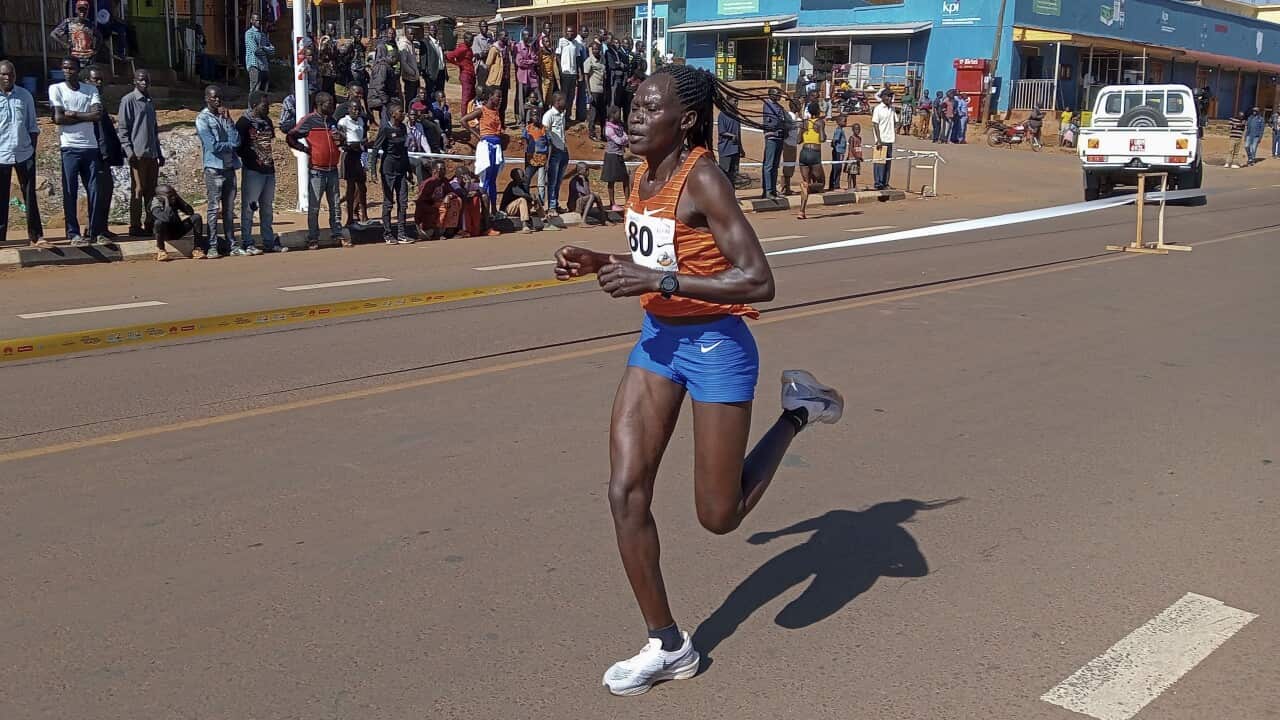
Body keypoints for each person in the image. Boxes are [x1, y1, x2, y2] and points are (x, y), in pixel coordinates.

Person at [551, 64, 844, 697]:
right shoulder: (643, 172)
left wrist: (660, 283)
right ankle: (668, 644)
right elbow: (664, 258)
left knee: (719, 515)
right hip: (658, 341)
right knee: (625, 492)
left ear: (683, 120)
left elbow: (759, 280)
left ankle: (797, 411)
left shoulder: (703, 177)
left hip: (717, 347)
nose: (633, 117)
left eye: (647, 108)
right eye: (632, 105)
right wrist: (602, 261)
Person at [49, 56, 104, 246]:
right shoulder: (56, 89)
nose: (67, 71)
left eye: (71, 68)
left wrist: (73, 114)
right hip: (69, 147)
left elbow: (97, 115)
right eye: (64, 68)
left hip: (90, 147)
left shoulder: (90, 89)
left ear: (78, 70)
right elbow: (58, 118)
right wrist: (84, 117)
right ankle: (73, 233)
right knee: (70, 191)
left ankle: (96, 232)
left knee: (95, 190)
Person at [287, 91, 347, 249]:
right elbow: (291, 136)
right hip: (317, 171)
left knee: (335, 205)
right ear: (320, 105)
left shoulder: (332, 121)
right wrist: (304, 149)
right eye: (329, 104)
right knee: (314, 207)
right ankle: (313, 237)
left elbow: (341, 141)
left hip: (332, 169)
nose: (333, 106)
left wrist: (341, 138)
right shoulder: (309, 120)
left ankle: (337, 233)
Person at [0, 60, 48, 248]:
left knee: (30, 197)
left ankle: (36, 236)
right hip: (1, 154)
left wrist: (32, 153)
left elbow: (32, 127)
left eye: (10, 74)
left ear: (15, 76)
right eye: (3, 74)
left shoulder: (25, 95)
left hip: (24, 153)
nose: (7, 77)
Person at [194, 85, 241, 258]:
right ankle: (212, 245)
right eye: (214, 97)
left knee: (229, 209)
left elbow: (237, 139)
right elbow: (212, 145)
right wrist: (231, 145)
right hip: (214, 168)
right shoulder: (202, 119)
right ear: (207, 98)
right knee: (214, 208)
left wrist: (229, 121)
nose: (218, 100)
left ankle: (231, 244)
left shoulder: (224, 117)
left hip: (229, 168)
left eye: (219, 97)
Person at [118, 69, 164, 239]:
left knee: (151, 192)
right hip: (137, 154)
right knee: (138, 190)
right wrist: (128, 151)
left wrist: (159, 152)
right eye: (141, 80)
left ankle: (150, 222)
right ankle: (135, 225)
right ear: (134, 81)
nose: (144, 83)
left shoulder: (150, 101)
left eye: (146, 80)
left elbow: (154, 130)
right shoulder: (128, 100)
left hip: (151, 154)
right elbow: (122, 129)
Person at [235, 91, 278, 254]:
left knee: (267, 208)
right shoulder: (244, 123)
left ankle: (268, 241)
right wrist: (251, 160)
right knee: (249, 207)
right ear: (254, 105)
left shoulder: (267, 121)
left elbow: (268, 142)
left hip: (269, 169)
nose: (268, 108)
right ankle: (247, 242)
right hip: (253, 171)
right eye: (264, 105)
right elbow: (237, 147)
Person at [367, 100, 414, 244]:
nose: (403, 114)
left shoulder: (403, 129)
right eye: (401, 112)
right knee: (388, 202)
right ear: (393, 114)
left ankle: (401, 233)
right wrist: (373, 171)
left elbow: (404, 151)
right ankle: (387, 233)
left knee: (403, 202)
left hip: (401, 170)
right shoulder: (385, 129)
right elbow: (375, 150)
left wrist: (409, 171)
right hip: (388, 170)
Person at [86, 67, 123, 242]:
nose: (99, 83)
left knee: (106, 190)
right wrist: (103, 153)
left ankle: (102, 227)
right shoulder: (89, 103)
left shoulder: (100, 101)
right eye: (95, 80)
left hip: (105, 155)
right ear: (87, 81)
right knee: (98, 192)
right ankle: (95, 230)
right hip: (96, 155)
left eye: (101, 80)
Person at [460, 87, 505, 211]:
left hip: (496, 147)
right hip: (487, 147)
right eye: (498, 96)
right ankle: (484, 210)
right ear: (490, 96)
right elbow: (463, 120)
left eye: (501, 97)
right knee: (485, 178)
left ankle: (494, 209)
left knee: (493, 179)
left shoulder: (496, 111)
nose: (500, 99)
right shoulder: (481, 110)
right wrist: (477, 135)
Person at [149, 184, 204, 262]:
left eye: (173, 193)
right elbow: (166, 218)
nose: (173, 196)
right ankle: (161, 250)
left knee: (196, 217)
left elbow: (190, 212)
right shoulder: (155, 203)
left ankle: (197, 249)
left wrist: (178, 199)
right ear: (160, 196)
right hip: (165, 234)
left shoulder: (174, 199)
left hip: (177, 230)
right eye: (170, 194)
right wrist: (167, 202)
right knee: (158, 222)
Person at [414, 159, 460, 240]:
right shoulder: (429, 183)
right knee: (442, 206)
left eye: (444, 169)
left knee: (456, 201)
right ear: (434, 170)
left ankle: (449, 232)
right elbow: (421, 201)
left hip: (440, 204)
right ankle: (436, 232)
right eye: (441, 169)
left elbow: (452, 192)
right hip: (428, 208)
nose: (444, 171)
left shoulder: (444, 181)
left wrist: (448, 196)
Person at [51, 1, 101, 75]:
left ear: (87, 11)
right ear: (76, 10)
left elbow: (99, 37)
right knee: (75, 78)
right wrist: (64, 44)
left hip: (88, 59)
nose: (82, 12)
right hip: (74, 58)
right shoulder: (69, 22)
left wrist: (95, 51)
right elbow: (53, 34)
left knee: (86, 80)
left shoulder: (90, 25)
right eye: (80, 10)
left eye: (85, 10)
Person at [794, 100, 826, 220]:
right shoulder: (820, 122)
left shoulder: (804, 123)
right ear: (817, 111)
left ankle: (802, 211)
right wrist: (821, 132)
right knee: (821, 184)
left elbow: (798, 141)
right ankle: (808, 187)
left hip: (804, 152)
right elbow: (822, 139)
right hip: (814, 153)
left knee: (805, 182)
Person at [542, 92, 569, 215]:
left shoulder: (562, 114)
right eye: (562, 100)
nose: (565, 102)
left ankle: (556, 203)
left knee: (559, 180)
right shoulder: (549, 115)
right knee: (552, 181)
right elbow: (546, 133)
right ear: (557, 102)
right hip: (554, 151)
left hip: (563, 150)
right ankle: (551, 206)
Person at [602, 106, 630, 212]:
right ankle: (612, 203)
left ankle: (627, 201)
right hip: (611, 155)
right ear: (613, 114)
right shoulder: (608, 128)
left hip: (619, 155)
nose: (620, 115)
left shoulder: (619, 126)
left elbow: (625, 138)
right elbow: (619, 140)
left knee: (625, 179)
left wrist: (624, 139)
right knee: (611, 180)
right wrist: (624, 139)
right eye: (619, 113)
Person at [761, 87, 786, 200]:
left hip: (779, 137)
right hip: (771, 137)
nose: (779, 96)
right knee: (769, 165)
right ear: (771, 95)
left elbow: (783, 120)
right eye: (777, 94)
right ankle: (768, 190)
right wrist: (781, 125)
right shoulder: (768, 106)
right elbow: (773, 121)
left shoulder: (779, 107)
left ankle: (773, 189)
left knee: (775, 165)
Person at [522, 104, 549, 204]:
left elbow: (549, 145)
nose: (536, 117)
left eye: (538, 115)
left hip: (542, 159)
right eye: (533, 115)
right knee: (526, 180)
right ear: (530, 117)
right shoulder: (527, 129)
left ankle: (541, 203)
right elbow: (525, 144)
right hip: (531, 159)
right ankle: (526, 200)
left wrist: (548, 161)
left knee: (541, 183)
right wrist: (526, 158)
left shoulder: (544, 129)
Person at [500, 167, 540, 233]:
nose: (523, 176)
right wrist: (532, 198)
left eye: (523, 174)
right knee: (522, 200)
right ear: (515, 177)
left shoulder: (522, 185)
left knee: (534, 197)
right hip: (507, 210)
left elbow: (529, 197)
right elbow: (523, 195)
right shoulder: (513, 185)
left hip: (517, 209)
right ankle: (525, 224)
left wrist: (534, 200)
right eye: (521, 175)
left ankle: (544, 220)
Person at [871, 90, 896, 191]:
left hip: (890, 139)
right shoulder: (878, 109)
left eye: (891, 96)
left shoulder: (892, 109)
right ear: (883, 97)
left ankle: (885, 183)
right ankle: (878, 183)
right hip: (881, 140)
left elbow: (896, 121)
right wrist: (878, 140)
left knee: (887, 163)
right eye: (888, 96)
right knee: (879, 163)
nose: (890, 99)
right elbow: (875, 124)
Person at [446, 32, 477, 112]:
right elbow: (450, 56)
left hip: (471, 74)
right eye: (470, 41)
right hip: (466, 74)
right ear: (465, 39)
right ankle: (464, 119)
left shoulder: (469, 48)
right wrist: (458, 64)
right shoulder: (462, 49)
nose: (471, 43)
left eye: (472, 41)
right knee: (466, 98)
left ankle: (470, 115)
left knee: (472, 97)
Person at [484, 31, 510, 126]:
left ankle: (501, 123)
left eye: (507, 35)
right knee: (496, 102)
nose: (507, 37)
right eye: (505, 36)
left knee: (503, 103)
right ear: (500, 37)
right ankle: (493, 123)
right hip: (496, 80)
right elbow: (488, 64)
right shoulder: (494, 49)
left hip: (505, 79)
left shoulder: (506, 48)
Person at [556, 26, 581, 123]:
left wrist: (579, 73)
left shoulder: (576, 43)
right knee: (564, 96)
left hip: (573, 73)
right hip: (565, 73)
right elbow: (558, 56)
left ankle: (568, 116)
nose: (570, 33)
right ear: (565, 32)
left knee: (571, 96)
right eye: (568, 32)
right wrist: (561, 69)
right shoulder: (561, 41)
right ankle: (561, 116)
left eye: (572, 32)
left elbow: (577, 58)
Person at [514, 30, 540, 123]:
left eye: (530, 35)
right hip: (522, 77)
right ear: (523, 36)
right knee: (521, 99)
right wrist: (530, 62)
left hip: (531, 77)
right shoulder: (518, 47)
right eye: (527, 35)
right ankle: (521, 119)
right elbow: (519, 62)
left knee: (533, 98)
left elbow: (535, 59)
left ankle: (531, 118)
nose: (528, 37)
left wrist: (529, 61)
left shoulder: (531, 47)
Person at [244, 12, 273, 93]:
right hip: (254, 65)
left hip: (264, 66)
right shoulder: (249, 33)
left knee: (264, 90)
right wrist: (266, 49)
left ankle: (261, 105)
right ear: (251, 21)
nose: (258, 22)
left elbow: (272, 50)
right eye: (256, 20)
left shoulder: (263, 34)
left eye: (259, 20)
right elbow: (256, 50)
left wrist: (263, 48)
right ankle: (251, 105)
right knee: (254, 89)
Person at [583, 41, 607, 140]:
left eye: (597, 49)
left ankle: (603, 133)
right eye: (593, 49)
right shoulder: (589, 61)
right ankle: (591, 133)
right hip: (593, 90)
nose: (595, 51)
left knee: (603, 114)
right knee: (593, 113)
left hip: (602, 90)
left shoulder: (602, 60)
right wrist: (589, 93)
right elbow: (586, 77)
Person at [716, 99, 742, 183]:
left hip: (735, 149)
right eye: (734, 101)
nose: (736, 103)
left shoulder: (736, 115)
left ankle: (732, 194)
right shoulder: (723, 114)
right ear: (728, 101)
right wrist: (732, 136)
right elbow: (722, 131)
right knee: (724, 173)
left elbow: (738, 133)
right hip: (726, 149)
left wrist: (741, 148)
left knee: (733, 174)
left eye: (737, 101)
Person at [781, 98, 801, 195]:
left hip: (791, 143)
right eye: (799, 105)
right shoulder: (791, 117)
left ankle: (785, 186)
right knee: (789, 165)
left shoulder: (793, 117)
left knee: (789, 165)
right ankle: (786, 187)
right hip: (789, 143)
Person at [399, 25, 421, 105]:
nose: (413, 36)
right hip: (409, 77)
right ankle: (409, 114)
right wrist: (412, 72)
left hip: (415, 76)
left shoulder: (411, 44)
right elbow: (403, 63)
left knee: (416, 97)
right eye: (411, 34)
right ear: (406, 34)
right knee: (410, 98)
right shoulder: (404, 45)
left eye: (414, 34)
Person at [537, 22, 558, 104]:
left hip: (551, 77)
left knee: (549, 100)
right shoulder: (540, 50)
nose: (548, 30)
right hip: (544, 78)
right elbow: (538, 65)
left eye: (550, 28)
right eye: (546, 28)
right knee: (544, 99)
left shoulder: (551, 50)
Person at [317, 24, 339, 98]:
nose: (334, 31)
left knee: (331, 89)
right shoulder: (325, 40)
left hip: (332, 69)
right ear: (327, 30)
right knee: (326, 88)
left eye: (334, 29)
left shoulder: (332, 40)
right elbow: (323, 53)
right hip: (326, 69)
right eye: (332, 29)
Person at [828, 113, 847, 191]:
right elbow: (834, 140)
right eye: (844, 121)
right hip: (838, 152)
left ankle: (835, 184)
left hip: (840, 152)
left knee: (837, 168)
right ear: (839, 122)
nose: (846, 123)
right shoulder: (839, 130)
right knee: (837, 168)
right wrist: (835, 148)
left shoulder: (840, 130)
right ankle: (835, 185)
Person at [472, 20, 493, 89]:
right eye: (483, 26)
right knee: (480, 87)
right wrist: (488, 51)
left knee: (488, 86)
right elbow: (478, 55)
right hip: (481, 66)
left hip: (489, 67)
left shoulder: (490, 39)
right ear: (479, 28)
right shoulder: (477, 39)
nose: (485, 28)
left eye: (486, 26)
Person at [846, 121, 864, 189]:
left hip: (857, 158)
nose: (858, 131)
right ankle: (849, 186)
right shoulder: (851, 138)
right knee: (850, 173)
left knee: (855, 173)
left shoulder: (859, 138)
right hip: (852, 158)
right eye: (856, 129)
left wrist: (860, 157)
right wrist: (856, 157)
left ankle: (854, 185)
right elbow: (851, 148)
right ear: (853, 130)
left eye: (859, 129)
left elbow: (858, 148)